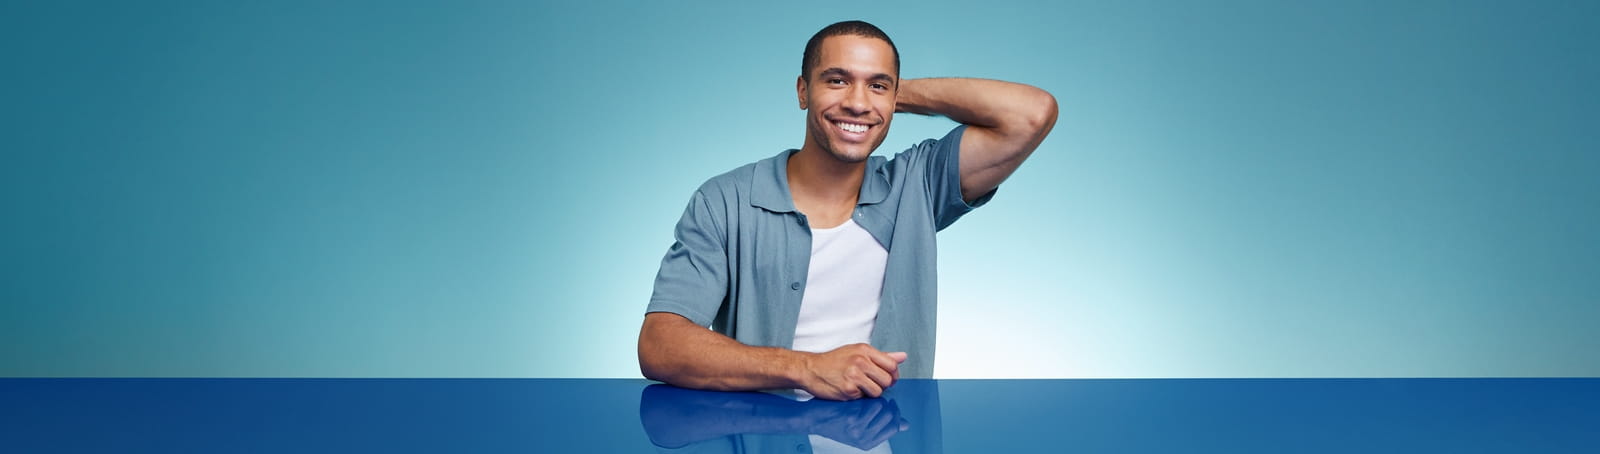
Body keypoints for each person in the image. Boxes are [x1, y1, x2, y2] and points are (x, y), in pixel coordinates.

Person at [638, 20, 1056, 401]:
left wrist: (889, 93)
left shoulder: (917, 185)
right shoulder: (724, 202)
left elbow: (1031, 114)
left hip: (892, 439)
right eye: (836, 81)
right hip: (766, 441)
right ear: (803, 91)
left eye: (877, 86)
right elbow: (660, 344)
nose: (857, 104)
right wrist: (805, 368)